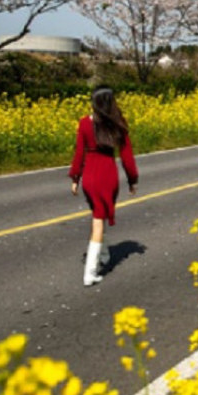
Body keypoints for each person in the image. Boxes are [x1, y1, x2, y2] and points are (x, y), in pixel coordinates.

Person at [69, 87, 139, 286]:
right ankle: (90, 272)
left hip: (89, 177)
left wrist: (75, 178)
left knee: (99, 214)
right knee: (99, 220)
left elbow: (79, 153)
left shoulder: (84, 123)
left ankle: (104, 254)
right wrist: (132, 180)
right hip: (107, 176)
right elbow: (127, 158)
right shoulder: (117, 125)